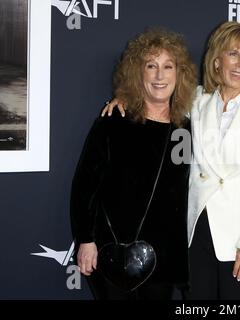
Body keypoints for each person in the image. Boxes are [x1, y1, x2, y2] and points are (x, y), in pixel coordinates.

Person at [102, 21, 240, 300]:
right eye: (233, 54)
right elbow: (156, 92)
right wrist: (124, 97)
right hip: (197, 231)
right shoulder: (197, 100)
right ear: (216, 61)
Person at [70, 28, 197, 300]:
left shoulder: (183, 129)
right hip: (113, 253)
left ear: (180, 74)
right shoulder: (114, 120)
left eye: (168, 66)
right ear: (138, 74)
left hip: (161, 261)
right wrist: (86, 239)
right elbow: (86, 185)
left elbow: (177, 191)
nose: (160, 76)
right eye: (151, 66)